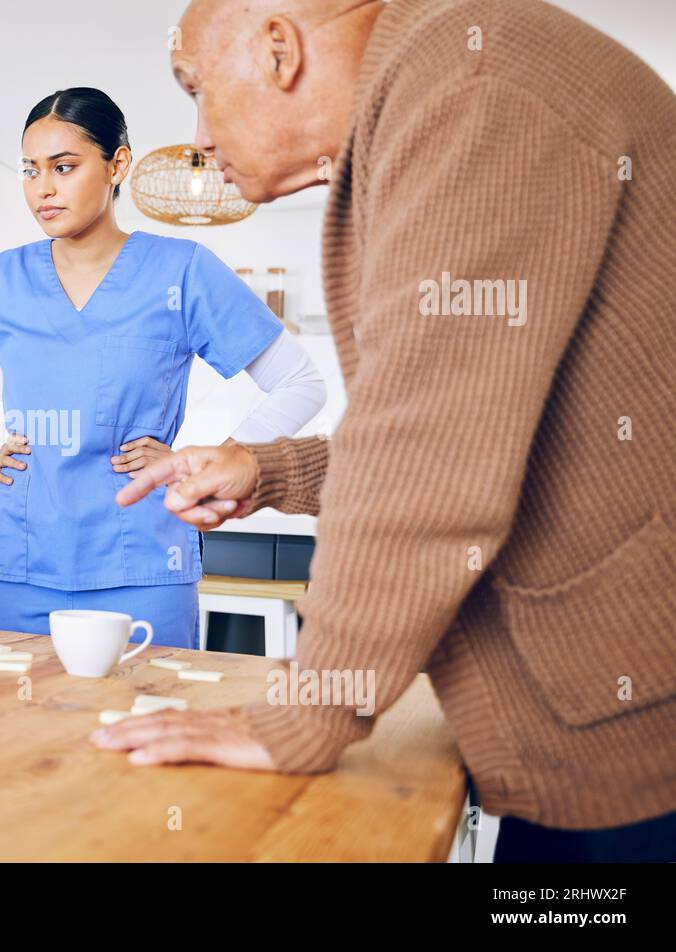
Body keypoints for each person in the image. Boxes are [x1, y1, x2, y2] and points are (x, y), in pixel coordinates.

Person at [92, 0, 676, 862]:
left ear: (279, 47)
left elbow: (431, 446)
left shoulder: (473, 85)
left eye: (197, 88)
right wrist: (269, 468)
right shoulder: (458, 77)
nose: (200, 136)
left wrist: (306, 712)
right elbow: (486, 425)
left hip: (633, 736)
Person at [0, 87, 325, 648]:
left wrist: (208, 463)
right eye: (30, 170)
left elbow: (300, 383)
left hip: (144, 560)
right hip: (17, 560)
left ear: (118, 163)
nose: (43, 188)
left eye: (64, 167)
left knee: (146, 719)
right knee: (15, 725)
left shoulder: (183, 272)